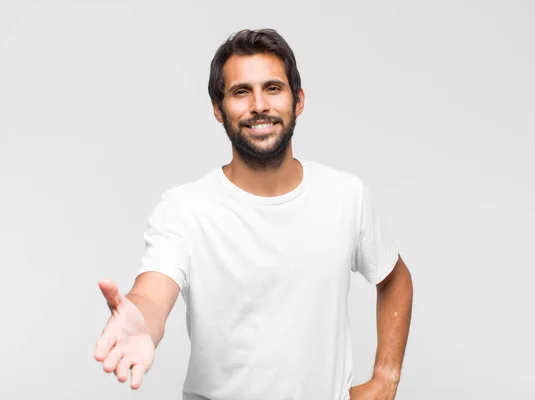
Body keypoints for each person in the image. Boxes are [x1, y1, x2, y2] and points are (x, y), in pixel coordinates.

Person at [94, 28, 413, 400]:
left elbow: (394, 279)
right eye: (241, 92)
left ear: (299, 101)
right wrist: (141, 322)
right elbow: (152, 294)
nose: (259, 105)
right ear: (218, 108)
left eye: (273, 88)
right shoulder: (185, 209)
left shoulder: (346, 196)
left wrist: (386, 376)